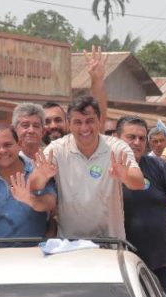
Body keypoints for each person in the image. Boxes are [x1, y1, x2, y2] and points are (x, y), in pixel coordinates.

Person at [31, 95, 144, 239]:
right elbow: (33, 185)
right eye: (78, 122)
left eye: (89, 121)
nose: (84, 128)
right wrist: (42, 176)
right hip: (69, 244)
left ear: (99, 120)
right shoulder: (57, 149)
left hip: (110, 243)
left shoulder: (116, 147)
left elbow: (139, 183)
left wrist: (125, 175)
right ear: (68, 124)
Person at [117, 116, 166, 296]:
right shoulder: (107, 168)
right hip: (122, 263)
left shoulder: (158, 166)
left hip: (160, 262)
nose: (137, 142)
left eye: (142, 138)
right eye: (131, 137)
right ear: (117, 138)